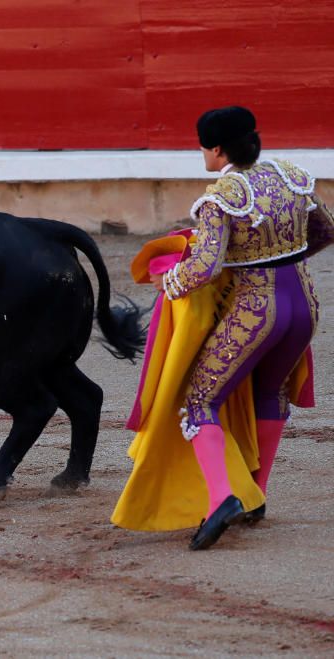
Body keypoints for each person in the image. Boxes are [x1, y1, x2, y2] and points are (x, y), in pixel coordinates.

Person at [112, 106, 332, 550]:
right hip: (304, 303)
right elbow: (326, 231)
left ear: (215, 149)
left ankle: (222, 500)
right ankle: (256, 497)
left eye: (202, 146)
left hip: (256, 310)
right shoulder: (293, 176)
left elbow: (208, 265)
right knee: (270, 393)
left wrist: (169, 282)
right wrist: (281, 256)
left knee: (199, 400)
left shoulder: (221, 196)